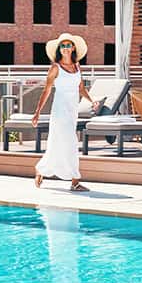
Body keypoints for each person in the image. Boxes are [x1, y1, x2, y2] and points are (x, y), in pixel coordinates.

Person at [33, 32, 101, 192]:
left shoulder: (77, 67)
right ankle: (75, 181)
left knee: (58, 143)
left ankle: (41, 169)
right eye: (62, 45)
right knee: (71, 142)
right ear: (59, 49)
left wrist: (92, 101)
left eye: (68, 45)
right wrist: (37, 112)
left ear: (73, 48)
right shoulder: (55, 68)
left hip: (72, 110)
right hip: (59, 110)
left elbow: (81, 88)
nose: (65, 48)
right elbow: (46, 91)